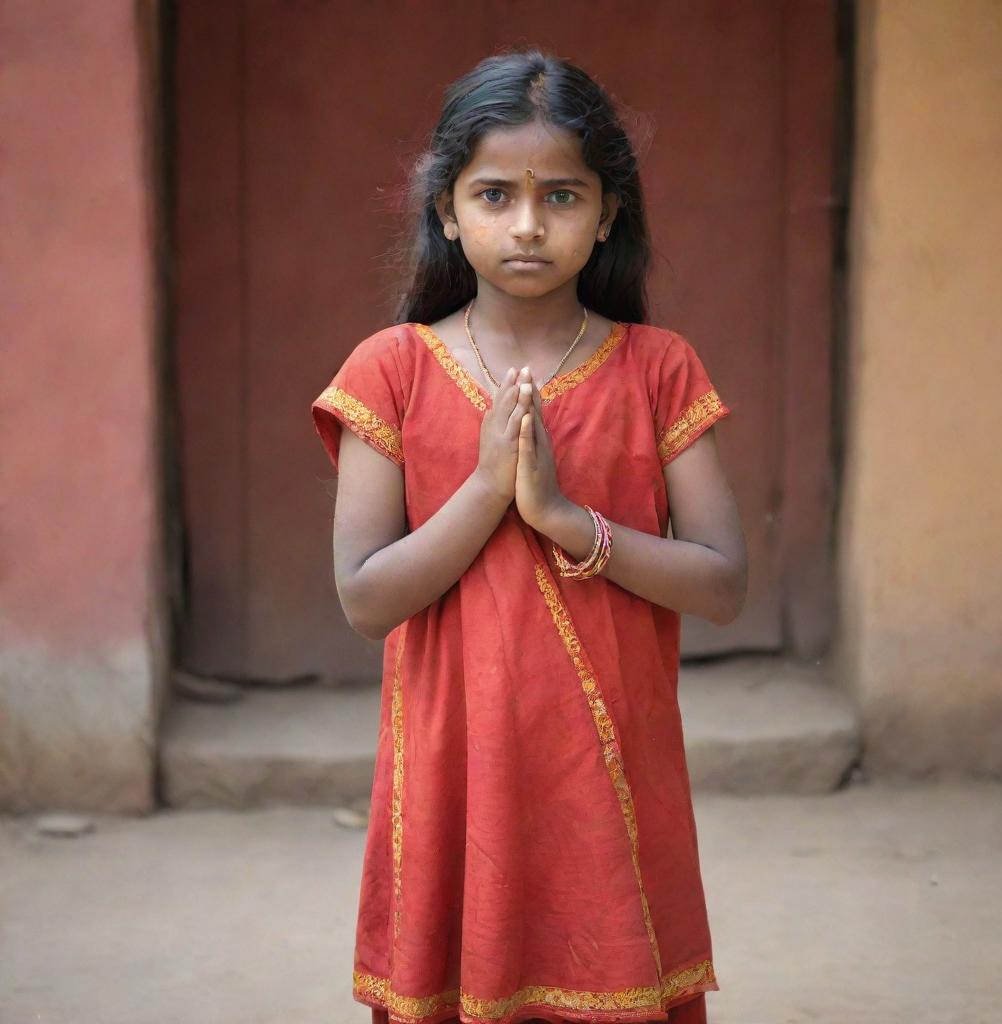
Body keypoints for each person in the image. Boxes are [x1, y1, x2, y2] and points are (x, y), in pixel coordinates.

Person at [311, 48, 747, 1024]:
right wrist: (485, 491)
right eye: (495, 193)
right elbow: (363, 596)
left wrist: (563, 518)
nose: (526, 224)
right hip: (454, 766)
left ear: (606, 216)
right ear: (445, 209)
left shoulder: (656, 369)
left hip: (606, 770)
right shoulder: (393, 370)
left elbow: (722, 582)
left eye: (560, 196)